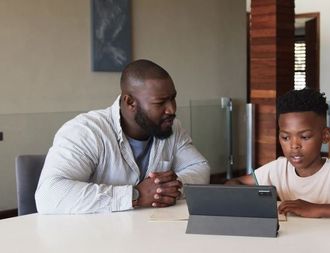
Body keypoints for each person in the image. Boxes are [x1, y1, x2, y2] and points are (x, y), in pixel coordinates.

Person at [35, 59, 210, 214]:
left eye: (173, 99)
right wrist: (136, 195)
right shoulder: (86, 131)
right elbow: (49, 195)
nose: (171, 109)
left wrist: (167, 188)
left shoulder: (171, 127)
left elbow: (200, 168)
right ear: (130, 102)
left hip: (149, 235)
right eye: (160, 102)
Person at [226, 88, 330, 223]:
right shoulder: (279, 168)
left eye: (305, 137)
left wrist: (318, 209)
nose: (294, 145)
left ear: (325, 136)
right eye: (285, 137)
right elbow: (237, 182)